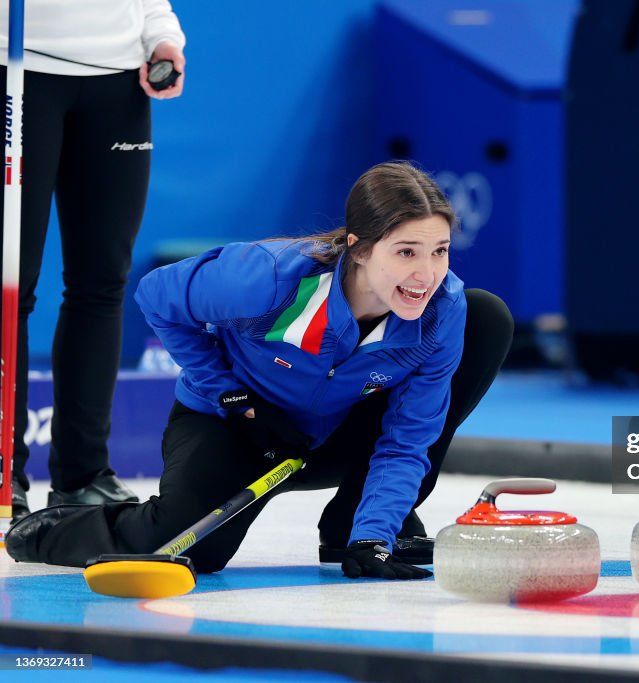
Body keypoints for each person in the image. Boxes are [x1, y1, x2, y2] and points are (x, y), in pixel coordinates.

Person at [6, 161, 514, 580]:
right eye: (406, 252)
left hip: (335, 436)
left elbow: (409, 436)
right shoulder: (268, 279)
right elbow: (155, 296)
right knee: (192, 548)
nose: (427, 274)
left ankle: (354, 525)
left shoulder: (443, 309)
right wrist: (230, 395)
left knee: (486, 316)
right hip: (237, 427)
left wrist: (372, 537)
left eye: (440, 251)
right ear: (359, 248)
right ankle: (45, 532)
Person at [0, 1, 187, 523]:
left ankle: (82, 477)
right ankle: (4, 471)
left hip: (119, 82)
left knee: (102, 283)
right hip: (18, 70)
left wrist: (162, 37)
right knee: (11, 285)